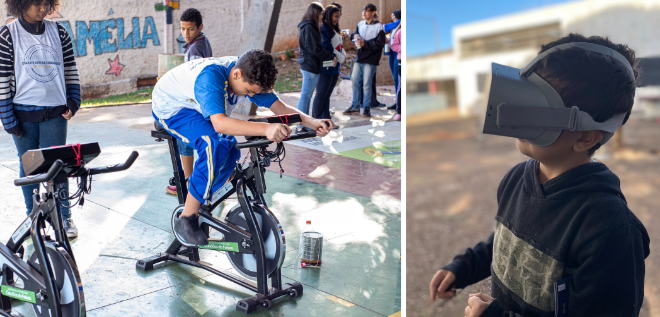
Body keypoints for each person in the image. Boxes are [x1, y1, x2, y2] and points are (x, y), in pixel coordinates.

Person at [429, 34, 650, 317]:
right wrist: (464, 266)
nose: (518, 114)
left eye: (538, 106)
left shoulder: (609, 229)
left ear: (585, 137)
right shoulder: (516, 178)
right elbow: (509, 241)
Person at [152, 50, 333, 245]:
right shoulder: (211, 77)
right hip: (172, 108)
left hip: (195, 104)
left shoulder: (251, 74)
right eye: (249, 92)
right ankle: (186, 218)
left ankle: (201, 198)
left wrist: (311, 121)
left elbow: (279, 107)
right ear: (237, 74)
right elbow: (220, 124)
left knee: (229, 148)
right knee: (211, 143)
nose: (252, 96)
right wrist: (266, 128)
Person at [0, 0, 81, 238]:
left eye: (46, 3)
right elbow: (2, 78)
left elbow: (70, 69)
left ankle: (64, 218)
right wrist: (7, 118)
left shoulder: (60, 32)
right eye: (36, 3)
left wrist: (74, 100)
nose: (42, 9)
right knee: (30, 168)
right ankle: (34, 218)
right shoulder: (7, 34)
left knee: (59, 166)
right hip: (22, 115)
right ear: (20, 4)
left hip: (56, 113)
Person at [165, 8, 213, 196]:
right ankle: (195, 178)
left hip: (194, 102)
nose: (186, 34)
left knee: (184, 138)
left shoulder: (195, 49)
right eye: (183, 29)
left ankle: (187, 181)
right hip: (200, 100)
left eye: (190, 29)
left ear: (200, 27)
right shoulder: (203, 41)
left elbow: (194, 78)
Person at [296, 2, 337, 133]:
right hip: (310, 65)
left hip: (311, 64)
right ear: (314, 13)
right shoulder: (308, 27)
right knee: (305, 96)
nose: (321, 16)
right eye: (320, 14)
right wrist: (330, 57)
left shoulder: (309, 26)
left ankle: (304, 124)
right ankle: (299, 125)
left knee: (306, 96)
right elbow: (315, 49)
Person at [342, 3, 385, 118]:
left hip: (370, 60)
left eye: (367, 11)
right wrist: (354, 36)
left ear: (373, 13)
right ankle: (355, 106)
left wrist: (365, 43)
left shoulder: (379, 26)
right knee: (355, 82)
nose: (364, 13)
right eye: (363, 11)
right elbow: (355, 34)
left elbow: (379, 44)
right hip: (359, 58)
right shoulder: (360, 24)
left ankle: (366, 108)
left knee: (366, 84)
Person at [311, 5, 345, 123]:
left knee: (327, 94)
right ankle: (316, 120)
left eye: (339, 16)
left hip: (335, 65)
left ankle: (326, 120)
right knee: (321, 94)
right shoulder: (324, 28)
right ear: (329, 16)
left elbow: (338, 44)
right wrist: (339, 57)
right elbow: (327, 46)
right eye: (336, 16)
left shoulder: (333, 28)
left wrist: (342, 55)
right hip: (327, 65)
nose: (337, 18)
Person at [385, 10, 401, 110]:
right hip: (391, 52)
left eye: (393, 16)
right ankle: (397, 102)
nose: (392, 18)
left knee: (397, 78)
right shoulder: (393, 27)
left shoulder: (401, 26)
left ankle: (400, 102)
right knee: (395, 79)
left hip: (398, 53)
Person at [390, 22, 401, 121]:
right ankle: (399, 112)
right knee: (401, 87)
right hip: (401, 62)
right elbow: (393, 45)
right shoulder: (400, 32)